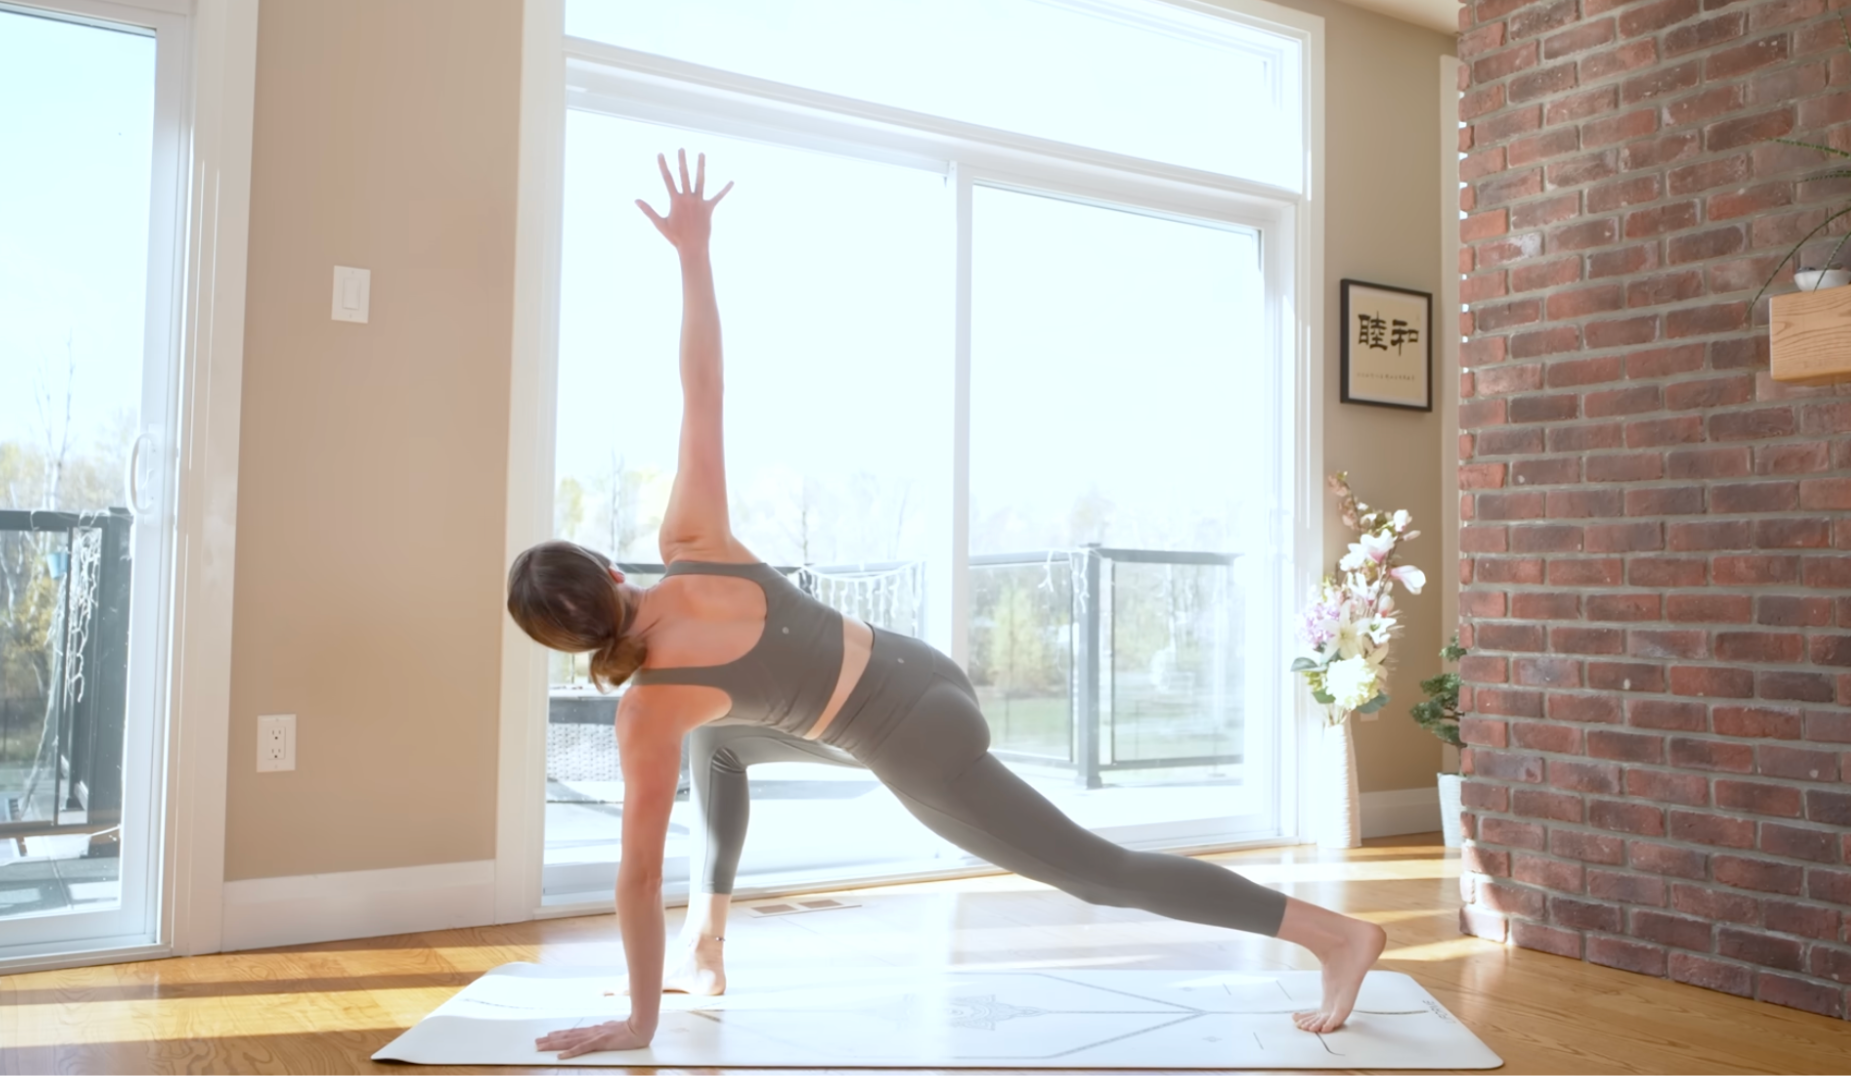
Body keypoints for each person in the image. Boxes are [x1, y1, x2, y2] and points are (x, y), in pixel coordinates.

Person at [506, 150, 1387, 1061]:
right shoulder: (694, 541)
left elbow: (637, 875)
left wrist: (640, 1024)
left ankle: (1334, 936)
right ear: (611, 570)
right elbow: (703, 390)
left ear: (565, 643)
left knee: (1095, 873)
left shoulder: (650, 708)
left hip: (911, 742)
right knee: (720, 739)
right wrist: (694, 252)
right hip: (921, 667)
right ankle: (708, 949)